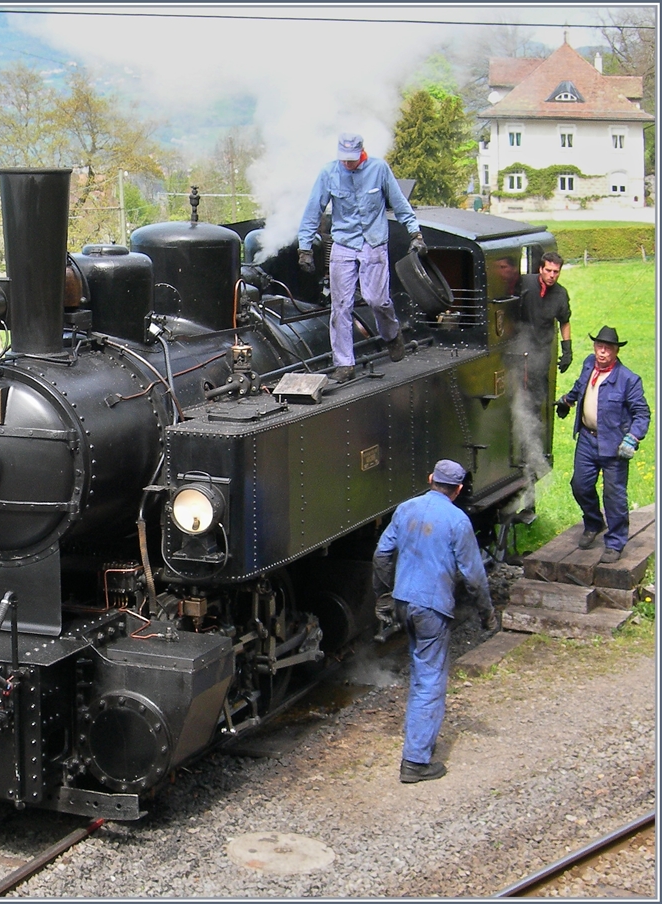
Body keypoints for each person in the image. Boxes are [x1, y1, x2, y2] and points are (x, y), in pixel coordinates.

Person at [372, 459, 495, 784]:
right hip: (431, 607)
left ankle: (418, 737)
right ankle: (415, 761)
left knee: (419, 670)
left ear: (430, 480)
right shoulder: (458, 520)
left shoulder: (405, 508)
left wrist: (384, 595)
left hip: (403, 602)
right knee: (430, 680)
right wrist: (487, 614)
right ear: (456, 490)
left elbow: (382, 555)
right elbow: (474, 577)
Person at [297, 132, 425, 383]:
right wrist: (305, 247)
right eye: (343, 159)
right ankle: (344, 363)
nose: (348, 164)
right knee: (340, 306)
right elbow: (313, 209)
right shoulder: (328, 173)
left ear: (362, 153)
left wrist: (415, 233)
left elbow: (399, 203)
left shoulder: (379, 169)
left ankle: (391, 334)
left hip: (374, 243)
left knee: (377, 299)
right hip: (343, 244)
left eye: (352, 159)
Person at [555, 326, 651, 563]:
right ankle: (593, 523)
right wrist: (567, 401)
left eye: (608, 349)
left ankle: (615, 542)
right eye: (599, 347)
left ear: (616, 352)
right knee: (580, 485)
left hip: (614, 446)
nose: (602, 352)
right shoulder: (589, 364)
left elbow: (642, 414)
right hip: (587, 440)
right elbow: (580, 387)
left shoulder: (629, 380)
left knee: (614, 495)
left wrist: (633, 438)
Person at [515, 251, 573, 415]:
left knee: (538, 393)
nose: (551, 275)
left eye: (556, 272)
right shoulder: (524, 283)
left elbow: (565, 321)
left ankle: (536, 421)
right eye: (548, 270)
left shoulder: (560, 294)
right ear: (541, 269)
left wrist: (567, 350)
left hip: (542, 350)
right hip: (520, 346)